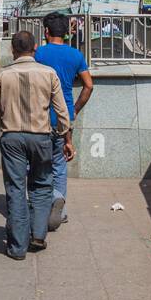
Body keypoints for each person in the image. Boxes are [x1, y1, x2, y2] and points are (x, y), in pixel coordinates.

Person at [0, 31, 72, 259]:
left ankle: (17, 247)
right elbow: (62, 111)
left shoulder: (2, 76)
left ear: (13, 51)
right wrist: (65, 137)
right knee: (42, 186)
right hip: (41, 137)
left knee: (15, 189)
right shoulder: (49, 74)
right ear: (35, 49)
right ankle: (38, 235)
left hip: (11, 138)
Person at [34, 12, 94, 231]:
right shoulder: (76, 55)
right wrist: (75, 109)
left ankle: (42, 206)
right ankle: (61, 209)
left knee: (38, 165)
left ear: (46, 31)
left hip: (39, 117)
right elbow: (89, 85)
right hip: (65, 116)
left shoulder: (38, 53)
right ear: (67, 32)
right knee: (60, 164)